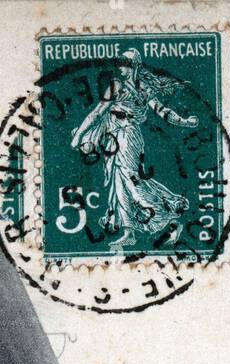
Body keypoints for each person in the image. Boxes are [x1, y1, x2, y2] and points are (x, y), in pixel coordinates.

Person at [70, 50, 198, 249]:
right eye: (120, 63)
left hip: (127, 136)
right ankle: (132, 230)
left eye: (125, 63)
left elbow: (162, 111)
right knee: (121, 181)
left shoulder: (134, 87)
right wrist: (80, 134)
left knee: (129, 179)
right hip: (115, 135)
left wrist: (185, 122)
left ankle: (163, 220)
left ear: (134, 65)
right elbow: (99, 112)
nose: (121, 67)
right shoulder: (119, 85)